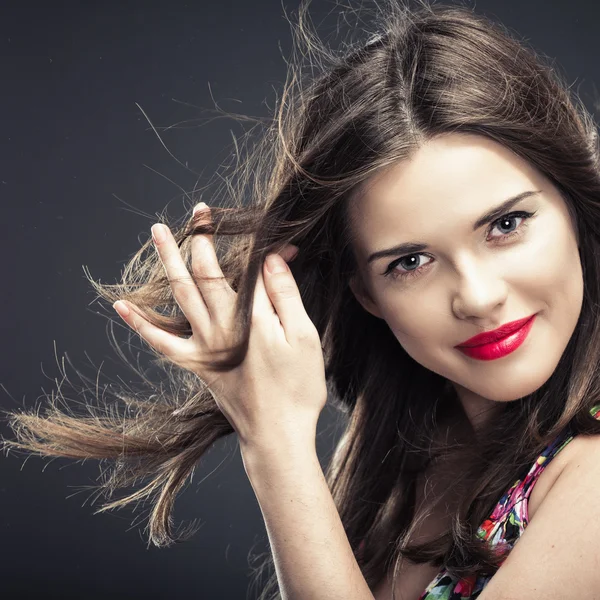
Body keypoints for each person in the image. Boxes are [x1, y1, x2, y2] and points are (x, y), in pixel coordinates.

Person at [3, 0, 600, 598]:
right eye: (410, 262)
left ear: (574, 206)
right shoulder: (406, 449)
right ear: (364, 291)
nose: (477, 296)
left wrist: (277, 443)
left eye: (507, 225)